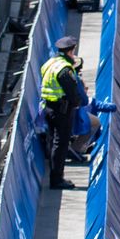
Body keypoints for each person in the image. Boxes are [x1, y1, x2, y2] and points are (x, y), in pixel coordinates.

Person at [39, 36, 84, 190]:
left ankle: (55, 175)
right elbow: (72, 92)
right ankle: (57, 179)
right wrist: (76, 103)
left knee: (53, 142)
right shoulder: (64, 69)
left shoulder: (50, 63)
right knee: (61, 144)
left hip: (49, 107)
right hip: (62, 110)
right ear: (71, 50)